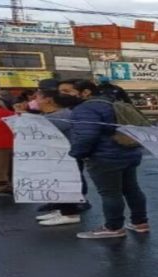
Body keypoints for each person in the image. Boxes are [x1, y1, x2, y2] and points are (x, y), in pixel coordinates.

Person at [58, 79, 149, 239]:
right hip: (129, 152)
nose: (62, 95)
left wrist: (77, 153)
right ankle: (140, 222)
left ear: (85, 92)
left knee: (110, 193)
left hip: (104, 156)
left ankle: (113, 227)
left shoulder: (85, 109)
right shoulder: (113, 102)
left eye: (67, 91)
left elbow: (86, 136)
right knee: (132, 189)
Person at [33, 79, 90, 226]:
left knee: (66, 183)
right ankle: (62, 209)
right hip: (60, 155)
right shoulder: (56, 114)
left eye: (38, 98)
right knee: (59, 183)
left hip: (66, 156)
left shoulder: (61, 115)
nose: (35, 101)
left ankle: (69, 213)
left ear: (48, 100)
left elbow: (39, 130)